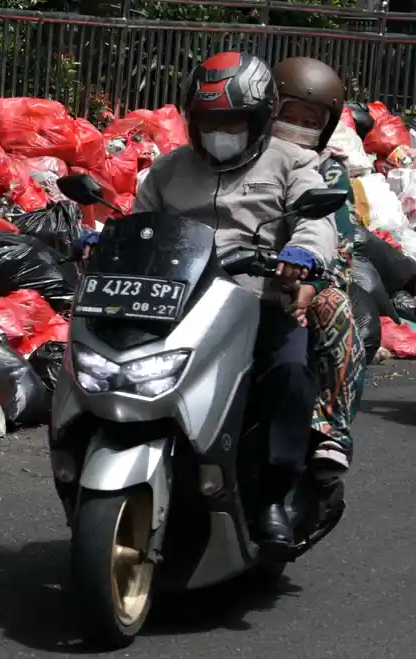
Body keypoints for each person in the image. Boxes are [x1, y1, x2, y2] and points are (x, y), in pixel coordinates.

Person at [91, 51, 337, 553]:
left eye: (232, 121)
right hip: (173, 306)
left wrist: (301, 254)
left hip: (256, 303)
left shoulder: (293, 163)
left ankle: (272, 495)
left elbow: (316, 222)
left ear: (261, 119)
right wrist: (102, 244)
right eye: (208, 121)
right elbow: (140, 224)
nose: (218, 131)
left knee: (289, 374)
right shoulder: (167, 171)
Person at [270, 56, 366, 479]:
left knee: (335, 311)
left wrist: (310, 280)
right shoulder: (241, 156)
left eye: (310, 119)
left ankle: (332, 429)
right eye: (290, 114)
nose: (297, 125)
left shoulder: (329, 173)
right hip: (227, 278)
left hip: (296, 281)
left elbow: (336, 245)